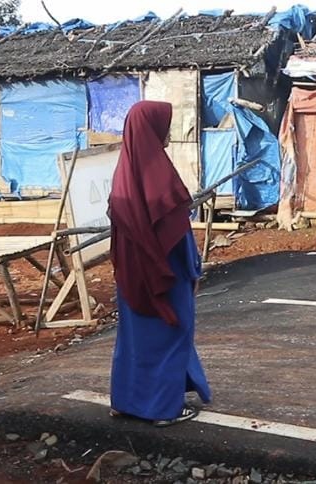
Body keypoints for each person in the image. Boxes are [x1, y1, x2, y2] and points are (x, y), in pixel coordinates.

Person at [107, 100, 211, 427]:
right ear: (152, 130)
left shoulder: (123, 175)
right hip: (166, 277)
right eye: (164, 126)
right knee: (170, 336)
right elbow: (176, 233)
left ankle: (126, 402)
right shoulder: (160, 178)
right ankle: (163, 409)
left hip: (132, 279)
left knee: (134, 341)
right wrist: (193, 268)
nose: (168, 132)